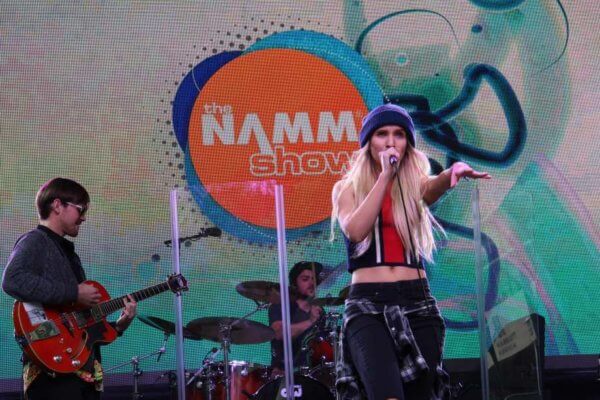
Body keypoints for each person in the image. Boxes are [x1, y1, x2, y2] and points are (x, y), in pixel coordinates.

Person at [331, 104, 490, 400]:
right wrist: (384, 177)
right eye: (382, 134)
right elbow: (355, 230)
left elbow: (432, 187)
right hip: (368, 304)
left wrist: (452, 172)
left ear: (408, 143)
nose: (391, 141)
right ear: (369, 143)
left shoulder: (413, 186)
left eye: (399, 135)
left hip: (417, 300)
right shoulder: (347, 188)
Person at [2, 178, 137, 400]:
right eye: (80, 209)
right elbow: (12, 280)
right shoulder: (35, 241)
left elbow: (78, 322)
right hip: (52, 374)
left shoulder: (67, 252)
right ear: (57, 205)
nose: (83, 217)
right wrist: (74, 292)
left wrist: (119, 326)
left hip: (80, 370)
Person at [268, 261, 324, 376]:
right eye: (305, 279)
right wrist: (310, 321)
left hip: (313, 374)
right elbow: (279, 333)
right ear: (294, 284)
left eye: (314, 279)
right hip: (284, 373)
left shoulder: (320, 310)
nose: (311, 283)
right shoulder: (280, 305)